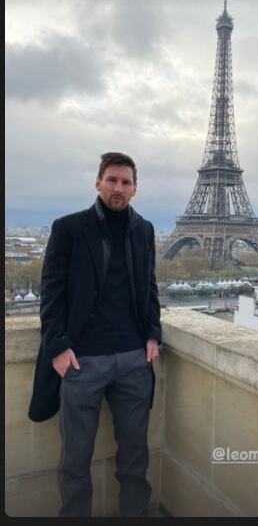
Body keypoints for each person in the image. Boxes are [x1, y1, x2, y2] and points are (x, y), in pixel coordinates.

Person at [28, 152, 162, 517]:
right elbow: (51, 291)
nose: (119, 188)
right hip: (81, 361)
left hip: (134, 359)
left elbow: (149, 287)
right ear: (98, 183)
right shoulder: (68, 228)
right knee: (75, 459)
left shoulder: (144, 229)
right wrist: (58, 347)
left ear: (135, 189)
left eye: (126, 182)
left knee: (136, 456)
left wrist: (153, 333)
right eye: (112, 180)